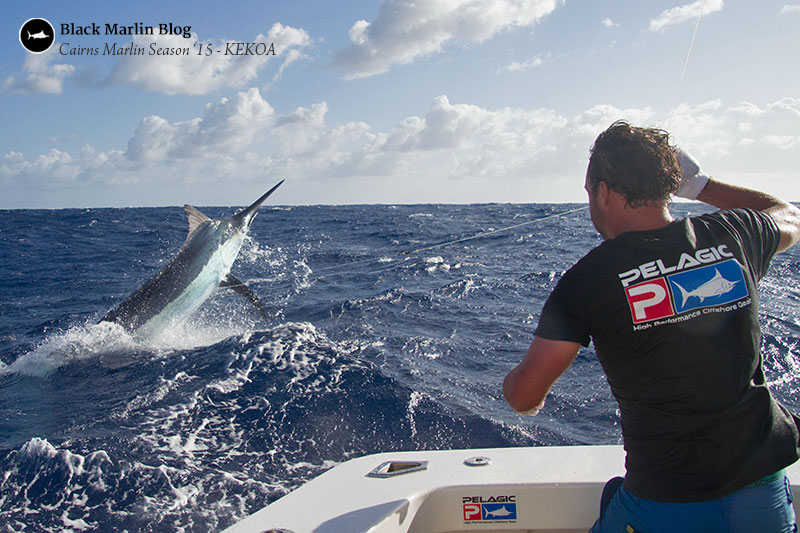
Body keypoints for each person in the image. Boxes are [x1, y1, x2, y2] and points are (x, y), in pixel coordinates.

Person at [503, 120, 800, 532]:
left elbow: (524, 396)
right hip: (763, 495)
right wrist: (701, 186)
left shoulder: (587, 280)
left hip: (667, 502)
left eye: (590, 192)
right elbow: (790, 215)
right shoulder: (737, 232)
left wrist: (511, 384)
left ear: (604, 190)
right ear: (668, 185)